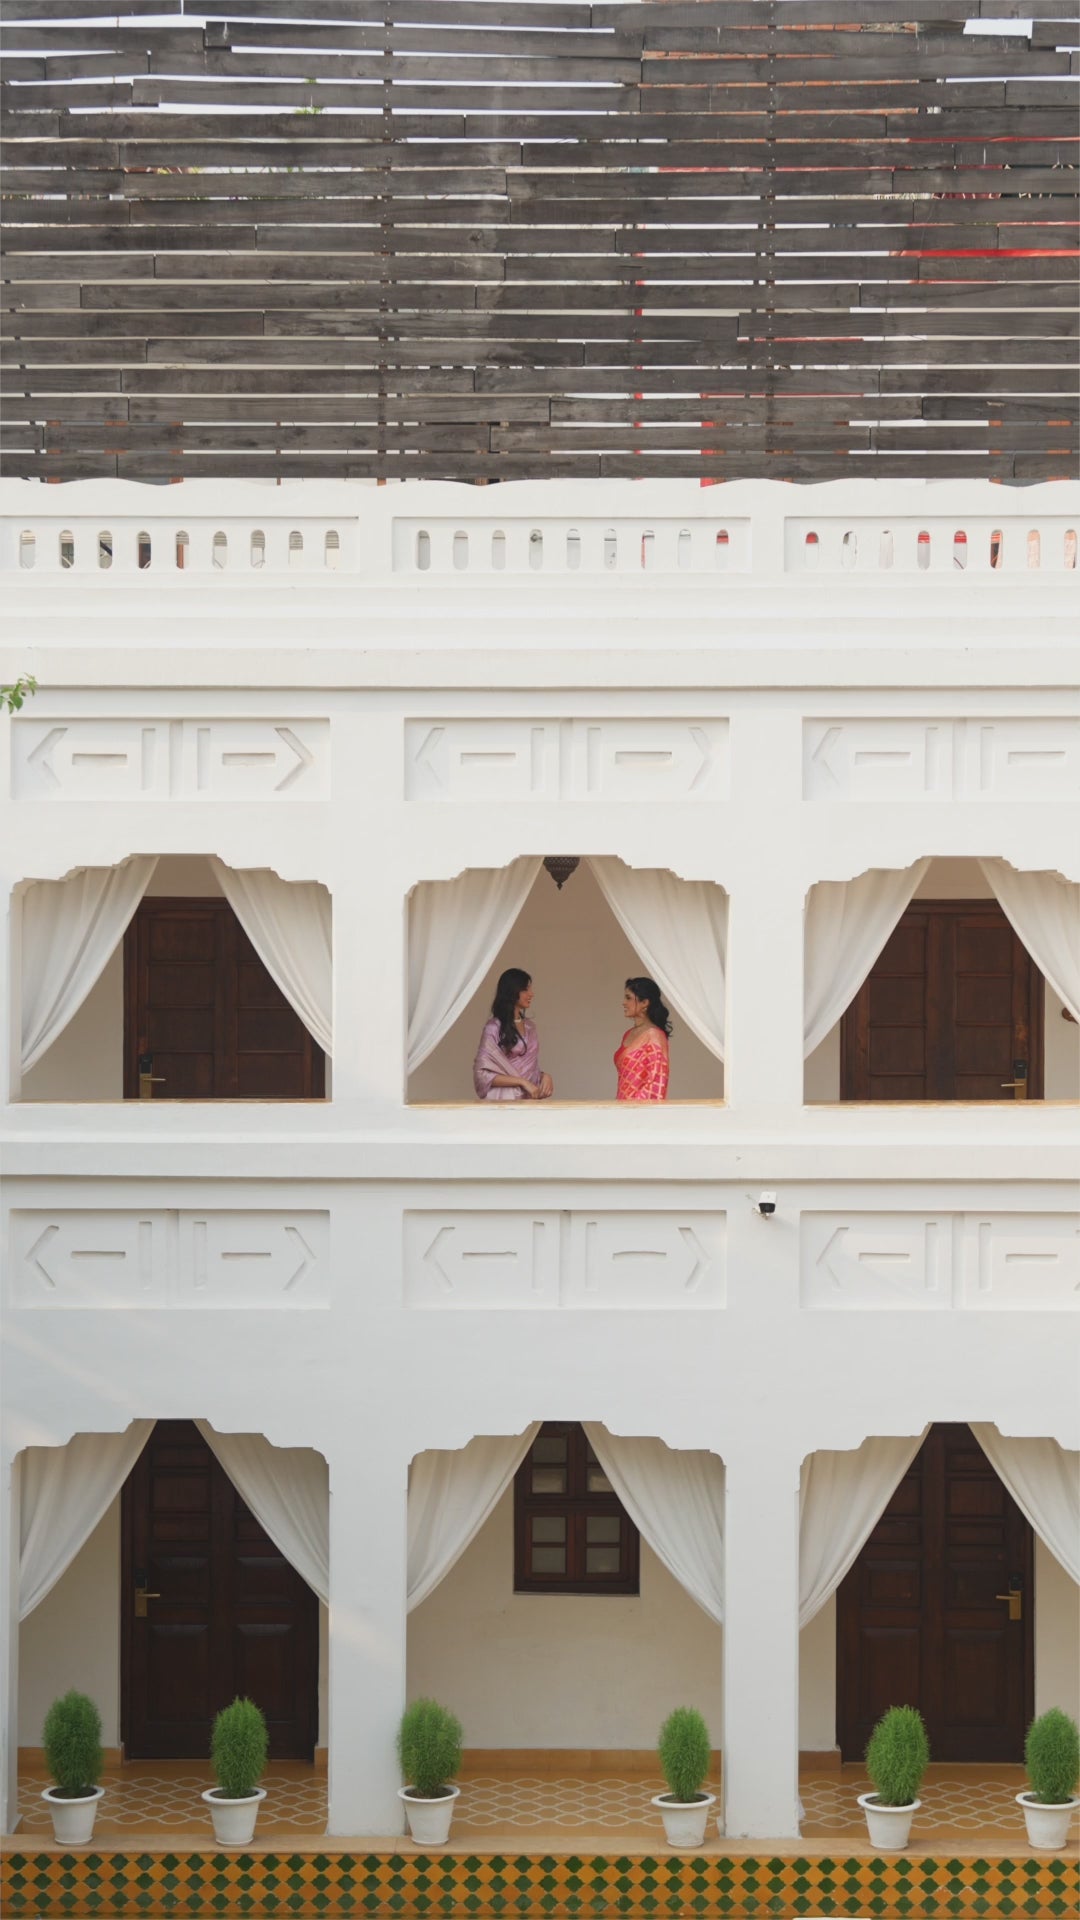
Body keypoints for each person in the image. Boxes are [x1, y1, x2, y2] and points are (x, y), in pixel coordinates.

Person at [473, 967, 554, 1101]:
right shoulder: (493, 1028)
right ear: (512, 991)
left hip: (528, 1099)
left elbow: (528, 1069)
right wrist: (522, 1082)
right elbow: (482, 1074)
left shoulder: (530, 1027)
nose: (531, 994)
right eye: (525, 989)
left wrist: (544, 1076)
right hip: (502, 1100)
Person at [614, 976, 671, 1102]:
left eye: (628, 998)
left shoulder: (655, 1037)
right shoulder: (628, 1034)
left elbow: (656, 1084)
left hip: (640, 1114)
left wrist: (636, 1114)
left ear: (644, 1003)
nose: (623, 1002)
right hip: (620, 1109)